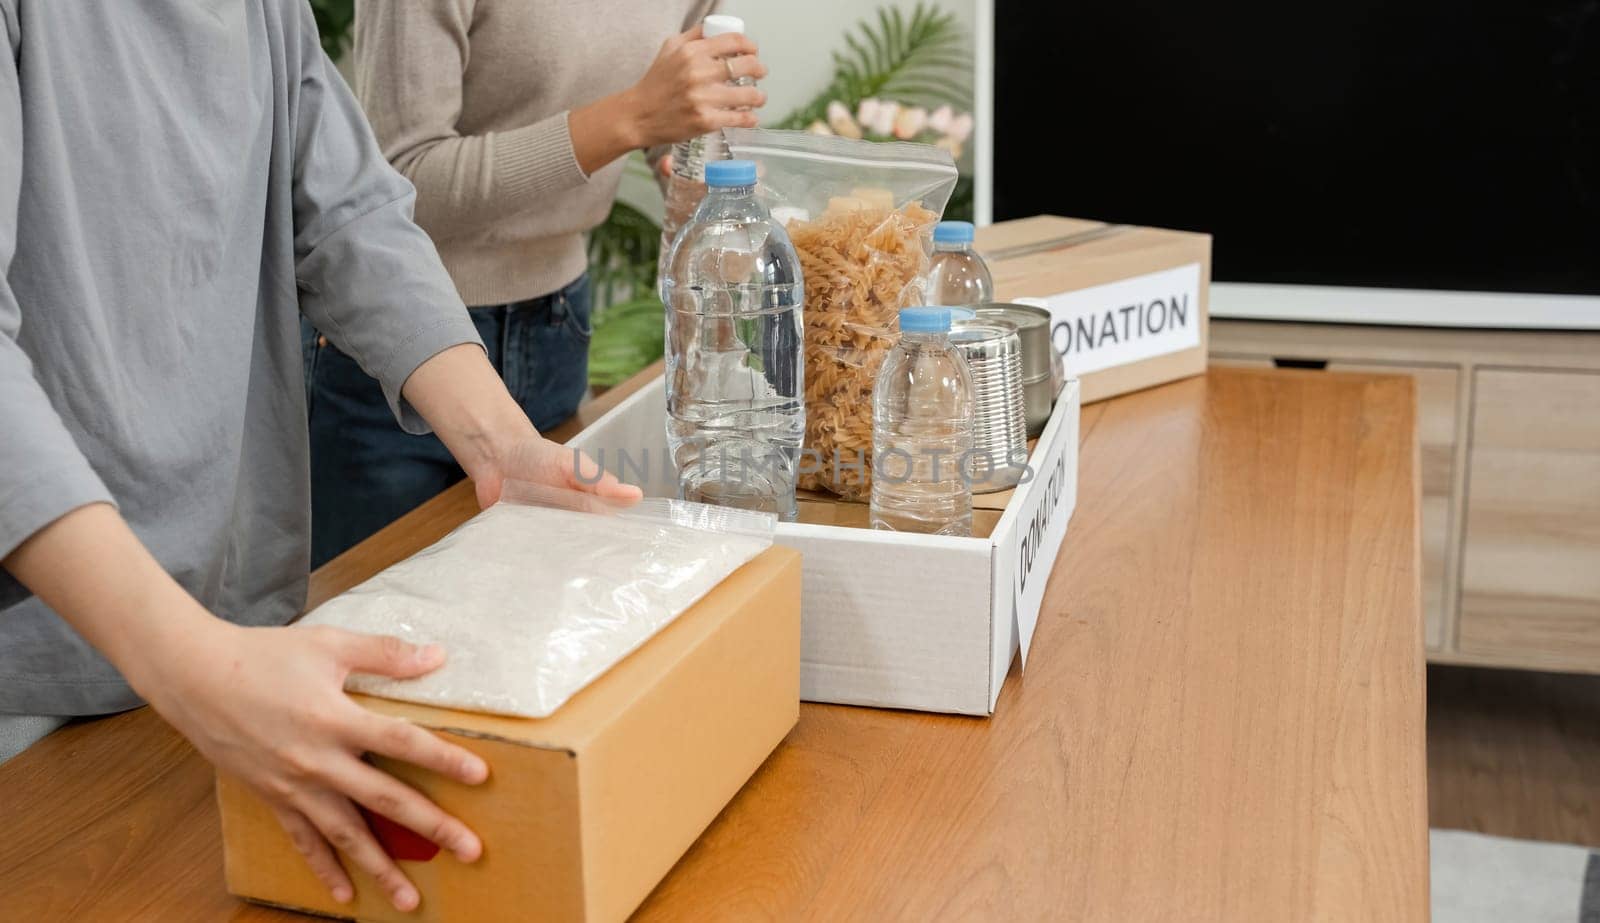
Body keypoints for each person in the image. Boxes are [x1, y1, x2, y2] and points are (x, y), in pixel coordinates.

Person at [0, 1, 637, 913]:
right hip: (46, 667)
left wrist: (507, 448)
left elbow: (350, 217)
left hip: (243, 644)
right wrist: (196, 665)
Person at [303, 1, 766, 566]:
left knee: (534, 600)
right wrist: (631, 117)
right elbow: (396, 187)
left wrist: (687, 150)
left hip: (557, 325)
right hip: (396, 348)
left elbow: (673, 121)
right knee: (376, 610)